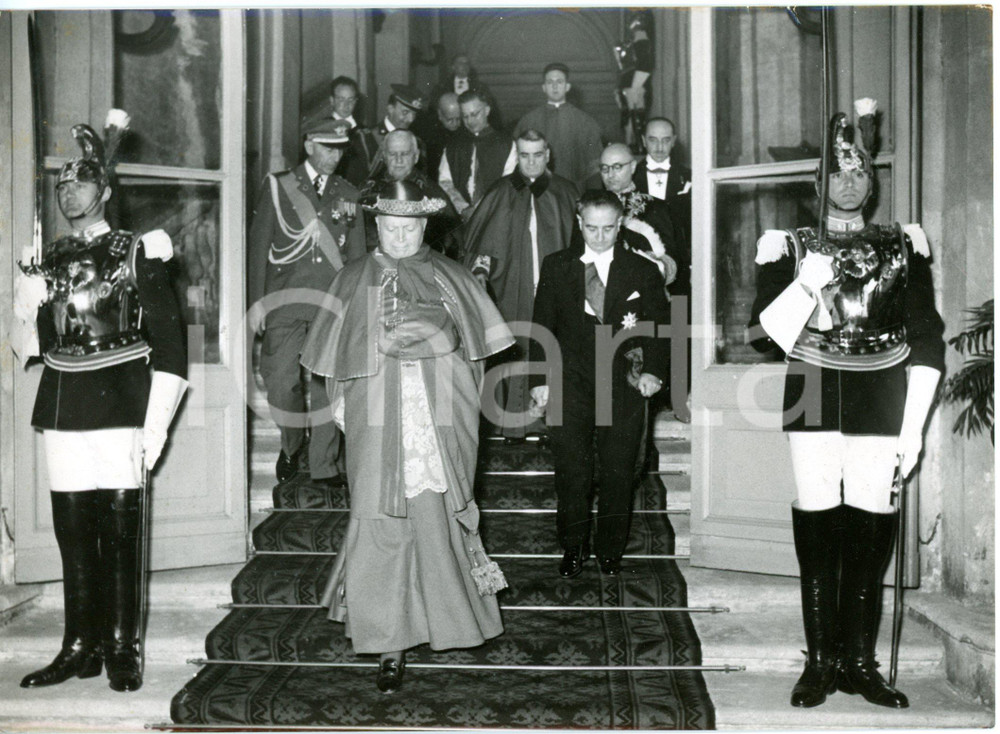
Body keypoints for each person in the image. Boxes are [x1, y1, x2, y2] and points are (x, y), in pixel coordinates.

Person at [749, 101, 945, 710]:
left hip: (882, 392)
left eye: (860, 171)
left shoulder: (903, 244)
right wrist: (805, 282)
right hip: (813, 386)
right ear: (818, 182)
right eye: (837, 171)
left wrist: (912, 429)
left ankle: (861, 663)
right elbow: (767, 335)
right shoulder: (786, 244)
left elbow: (927, 338)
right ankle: (821, 662)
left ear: (873, 181)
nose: (850, 181)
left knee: (870, 528)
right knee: (819, 527)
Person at [299, 179, 514, 693]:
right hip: (376, 416)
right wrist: (346, 402)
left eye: (410, 228)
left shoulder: (452, 277)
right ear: (377, 226)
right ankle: (386, 641)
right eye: (391, 229)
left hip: (439, 416)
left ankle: (451, 623)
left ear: (424, 226)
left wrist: (434, 348)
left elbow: (476, 359)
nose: (400, 238)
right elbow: (335, 363)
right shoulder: (351, 279)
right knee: (379, 517)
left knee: (436, 513)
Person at [12, 111, 187, 692]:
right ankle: (78, 646)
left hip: (121, 399)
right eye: (62, 185)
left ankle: (121, 646)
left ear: (105, 191)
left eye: (81, 183)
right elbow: (29, 351)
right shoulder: (51, 257)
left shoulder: (139, 249)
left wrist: (155, 425)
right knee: (71, 527)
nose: (69, 192)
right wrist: (28, 305)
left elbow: (170, 347)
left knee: (119, 528)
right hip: (63, 400)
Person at [529, 190, 670, 577]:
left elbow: (660, 328)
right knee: (571, 471)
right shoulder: (557, 266)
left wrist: (654, 372)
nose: (600, 236)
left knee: (618, 470)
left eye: (609, 228)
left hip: (622, 380)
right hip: (570, 380)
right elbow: (542, 327)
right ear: (579, 222)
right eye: (591, 228)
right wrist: (541, 380)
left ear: (620, 223)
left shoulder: (641, 270)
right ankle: (573, 547)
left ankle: (610, 550)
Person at [247, 118, 365, 486]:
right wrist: (256, 304)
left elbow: (358, 256)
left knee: (327, 386)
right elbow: (258, 248)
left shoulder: (349, 192)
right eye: (328, 148)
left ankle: (324, 463)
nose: (335, 156)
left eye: (340, 149)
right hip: (284, 301)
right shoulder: (280, 186)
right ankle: (291, 444)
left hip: (331, 303)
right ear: (309, 145)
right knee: (282, 382)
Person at [463, 129, 579, 439]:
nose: (531, 162)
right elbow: (480, 245)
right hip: (510, 290)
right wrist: (482, 270)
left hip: (554, 290)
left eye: (537, 155)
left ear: (548, 154)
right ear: (517, 154)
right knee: (516, 347)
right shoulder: (499, 191)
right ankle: (513, 423)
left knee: (553, 346)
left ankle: (553, 424)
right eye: (524, 155)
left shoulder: (565, 192)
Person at [360, 129, 462, 258]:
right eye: (392, 154)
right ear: (384, 156)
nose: (399, 160)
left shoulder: (432, 192)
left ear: (416, 156)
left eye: (405, 154)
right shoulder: (367, 190)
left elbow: (452, 242)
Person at [597, 143, 679, 286]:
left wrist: (679, 309)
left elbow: (678, 274)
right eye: (605, 168)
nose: (610, 175)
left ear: (633, 166)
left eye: (617, 167)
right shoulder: (587, 207)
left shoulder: (656, 206)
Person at [514, 63, 604, 187]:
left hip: (575, 190)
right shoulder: (529, 120)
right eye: (550, 82)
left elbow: (594, 167)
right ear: (544, 87)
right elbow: (516, 162)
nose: (555, 86)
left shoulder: (586, 122)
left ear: (567, 87)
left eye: (559, 82)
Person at [438, 89, 516, 220]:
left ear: (487, 110)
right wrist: (463, 208)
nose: (471, 121)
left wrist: (481, 209)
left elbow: (508, 183)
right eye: (465, 116)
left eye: (475, 114)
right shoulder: (453, 146)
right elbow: (445, 182)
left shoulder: (507, 144)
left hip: (495, 216)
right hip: (461, 217)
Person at [338, 84, 427, 188]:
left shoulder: (418, 143)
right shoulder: (365, 139)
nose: (410, 119)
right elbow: (353, 184)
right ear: (390, 109)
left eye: (414, 114)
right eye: (405, 112)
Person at [615, 10, 654, 152]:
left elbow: (644, 64)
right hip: (629, 82)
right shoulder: (632, 43)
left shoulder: (641, 40)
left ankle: (638, 145)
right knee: (629, 117)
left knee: (635, 116)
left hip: (634, 83)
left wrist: (635, 86)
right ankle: (633, 144)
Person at [421, 92, 462, 181]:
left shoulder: (466, 131)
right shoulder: (430, 136)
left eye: (458, 119)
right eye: (450, 120)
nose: (455, 124)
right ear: (440, 114)